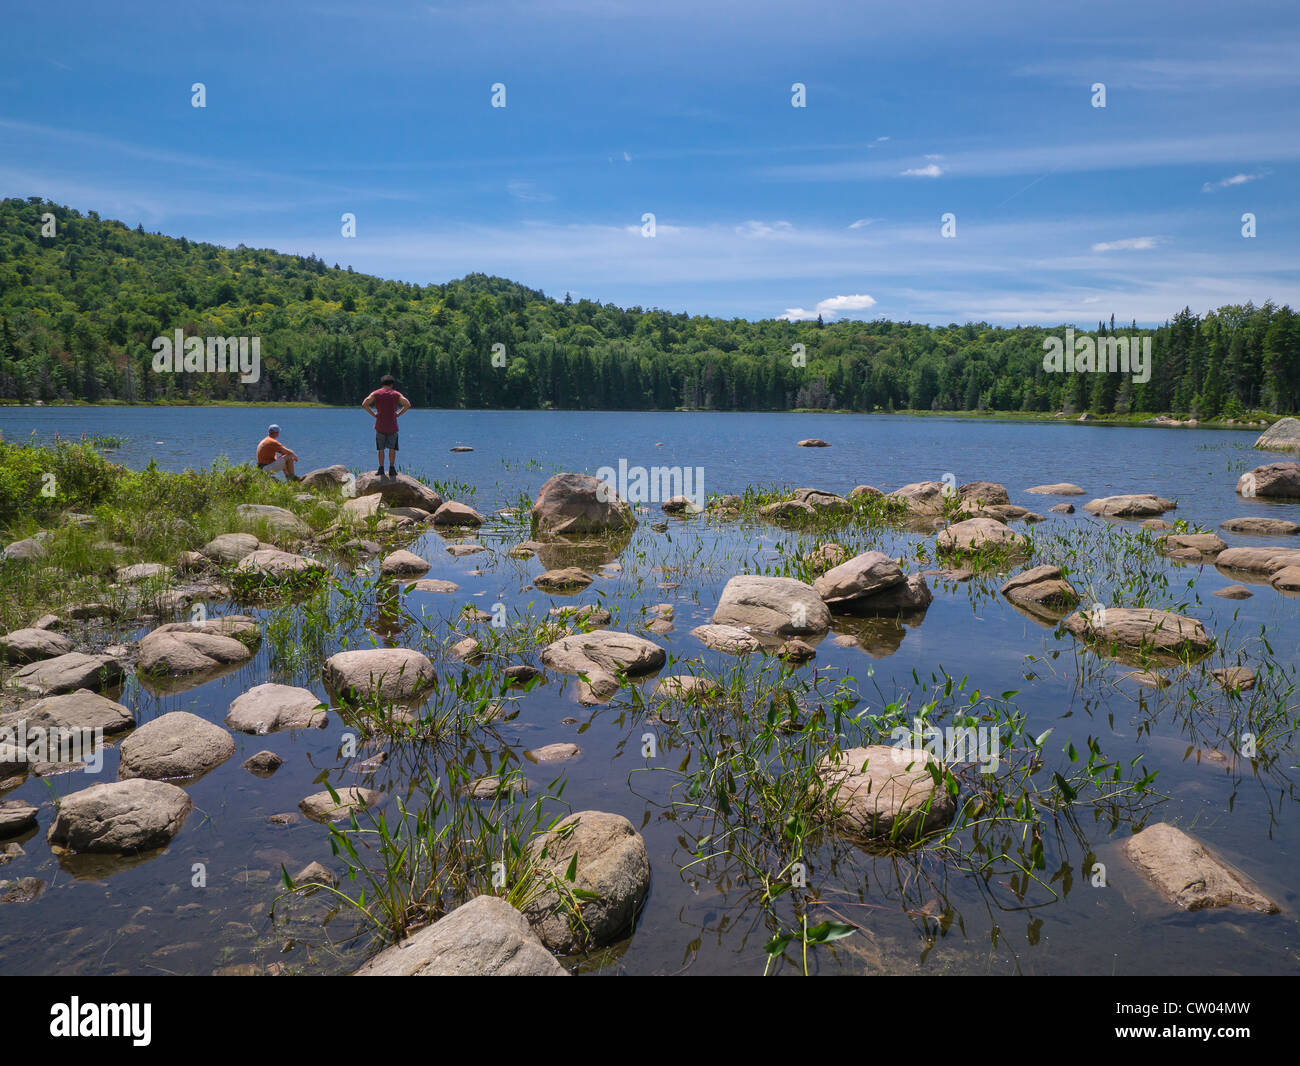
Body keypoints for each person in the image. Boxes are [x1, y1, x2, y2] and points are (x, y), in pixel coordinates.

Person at [361, 374, 411, 477]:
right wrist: (398, 414)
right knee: (392, 449)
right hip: (392, 426)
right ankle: (392, 469)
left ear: (382, 383)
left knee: (381, 449)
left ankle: (381, 469)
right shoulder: (396, 394)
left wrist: (374, 414)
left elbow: (364, 404)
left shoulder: (376, 393)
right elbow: (407, 404)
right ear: (391, 384)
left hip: (380, 425)